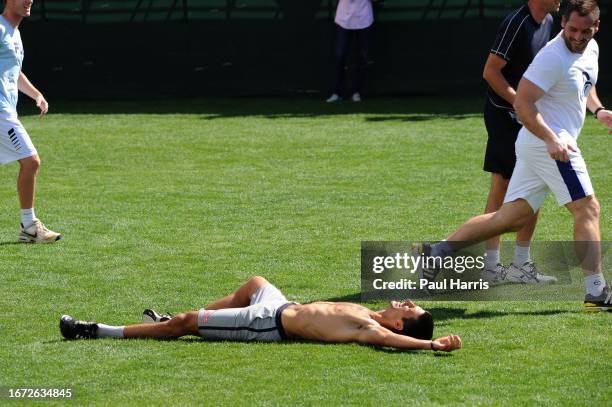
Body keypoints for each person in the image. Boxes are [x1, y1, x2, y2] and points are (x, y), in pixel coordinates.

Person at [418, 0, 611, 311]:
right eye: (572, 29)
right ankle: (597, 293)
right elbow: (523, 102)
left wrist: (598, 110)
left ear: (596, 28)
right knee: (588, 209)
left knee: (511, 217)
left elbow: (585, 84)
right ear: (563, 23)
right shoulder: (552, 55)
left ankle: (436, 252)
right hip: (550, 144)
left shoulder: (591, 48)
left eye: (585, 31)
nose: (577, 36)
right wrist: (550, 139)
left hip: (539, 144)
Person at [59, 276, 463, 352]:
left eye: (411, 309)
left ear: (398, 322)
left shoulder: (369, 328)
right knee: (255, 282)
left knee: (185, 324)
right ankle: (170, 320)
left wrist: (431, 343)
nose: (408, 302)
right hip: (277, 306)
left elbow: (395, 342)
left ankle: (96, 331)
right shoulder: (365, 309)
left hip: (266, 325)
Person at [481, 0, 561, 284]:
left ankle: (521, 265)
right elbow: (491, 71)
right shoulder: (516, 22)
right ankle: (491, 266)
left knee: (535, 185)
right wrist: (520, 103)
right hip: (505, 116)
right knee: (502, 186)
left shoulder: (550, 22)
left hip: (529, 116)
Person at [0, 0, 61, 243]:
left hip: (7, 111)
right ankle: (29, 226)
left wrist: (36, 94)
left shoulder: (15, 34)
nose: (29, 0)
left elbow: (14, 72)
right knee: (31, 161)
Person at [326, 0, 375, 103]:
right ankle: (337, 93)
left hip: (364, 17)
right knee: (340, 55)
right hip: (343, 18)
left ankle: (355, 92)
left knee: (361, 56)